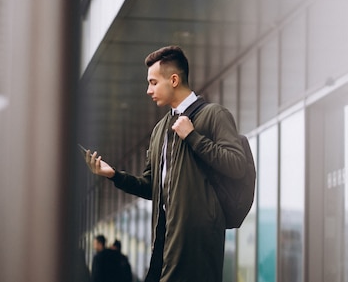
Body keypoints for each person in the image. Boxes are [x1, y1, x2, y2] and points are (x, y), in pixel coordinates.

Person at [84, 45, 245, 282]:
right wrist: (114, 175)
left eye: (153, 82)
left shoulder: (214, 115)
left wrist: (193, 137)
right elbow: (151, 186)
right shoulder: (160, 130)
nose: (148, 90)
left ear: (174, 79)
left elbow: (237, 164)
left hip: (197, 249)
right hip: (163, 246)